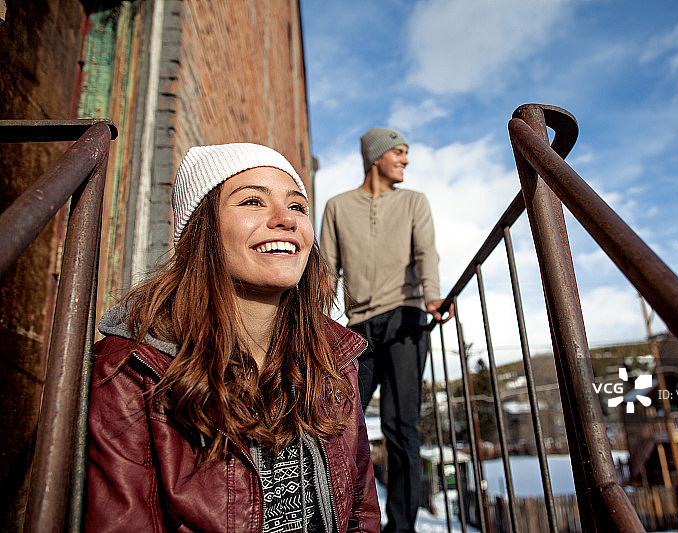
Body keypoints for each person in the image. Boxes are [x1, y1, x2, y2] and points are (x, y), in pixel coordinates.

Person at [87, 143, 380, 532]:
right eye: (253, 202)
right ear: (201, 229)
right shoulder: (131, 366)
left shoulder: (335, 358)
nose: (286, 220)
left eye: (297, 207)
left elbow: (361, 511)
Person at [320, 127, 449, 533]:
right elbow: (327, 269)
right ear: (376, 156)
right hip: (358, 328)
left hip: (406, 317)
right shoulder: (338, 206)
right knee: (341, 421)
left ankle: (402, 527)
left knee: (400, 426)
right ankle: (344, 518)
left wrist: (432, 296)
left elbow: (426, 250)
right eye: (400, 152)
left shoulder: (414, 202)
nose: (406, 160)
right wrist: (314, 319)